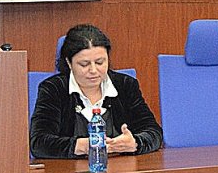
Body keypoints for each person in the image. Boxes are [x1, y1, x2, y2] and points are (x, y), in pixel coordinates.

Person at [30, 24, 163, 159]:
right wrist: (79, 146)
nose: (93, 70)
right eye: (84, 64)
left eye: (100, 62)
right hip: (70, 170)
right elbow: (38, 143)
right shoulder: (53, 89)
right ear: (69, 63)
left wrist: (135, 143)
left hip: (121, 168)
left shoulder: (125, 85)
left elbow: (154, 133)